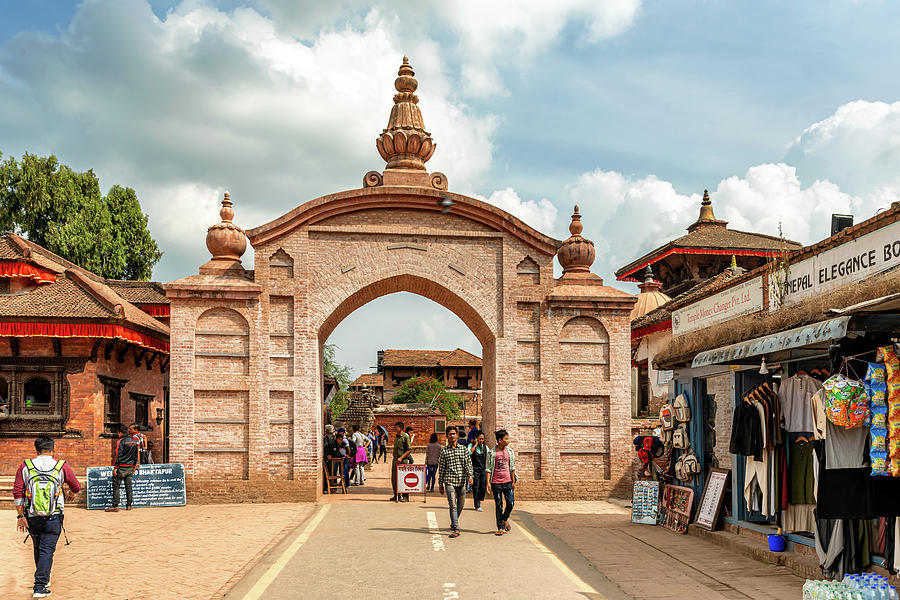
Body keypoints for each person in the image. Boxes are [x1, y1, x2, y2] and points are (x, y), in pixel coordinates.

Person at [14, 435, 82, 598]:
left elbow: (17, 491)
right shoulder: (61, 465)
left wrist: (20, 515)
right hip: (54, 516)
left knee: (38, 547)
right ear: (53, 450)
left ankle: (43, 577)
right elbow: (77, 487)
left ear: (36, 450)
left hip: (32, 515)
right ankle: (40, 586)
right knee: (47, 550)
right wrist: (68, 492)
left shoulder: (26, 465)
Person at [437, 426, 473, 538]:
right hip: (449, 481)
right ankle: (456, 528)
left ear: (457, 435)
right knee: (452, 504)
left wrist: (470, 476)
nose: (452, 436)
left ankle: (453, 522)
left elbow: (468, 464)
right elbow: (442, 468)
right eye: (450, 434)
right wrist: (440, 484)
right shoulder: (444, 451)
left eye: (453, 434)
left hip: (462, 481)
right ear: (446, 436)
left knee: (460, 504)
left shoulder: (463, 449)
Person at [486, 429, 516, 536]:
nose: (508, 441)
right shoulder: (492, 453)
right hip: (496, 483)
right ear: (500, 440)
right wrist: (488, 483)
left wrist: (513, 481)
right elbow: (488, 468)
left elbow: (512, 467)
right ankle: (500, 527)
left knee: (511, 503)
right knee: (498, 505)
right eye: (506, 439)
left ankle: (505, 518)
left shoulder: (510, 452)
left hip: (508, 481)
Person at [105, 424, 140, 512]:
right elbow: (136, 455)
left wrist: (115, 467)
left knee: (116, 486)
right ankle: (129, 505)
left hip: (121, 468)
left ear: (120, 433)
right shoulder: (134, 441)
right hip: (130, 468)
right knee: (128, 486)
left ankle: (115, 505)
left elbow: (118, 455)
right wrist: (134, 466)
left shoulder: (120, 442)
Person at [390, 421, 412, 502]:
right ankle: (397, 495)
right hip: (395, 459)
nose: (395, 429)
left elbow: (409, 449)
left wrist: (401, 458)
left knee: (403, 478)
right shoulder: (396, 436)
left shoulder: (405, 437)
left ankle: (405, 496)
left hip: (402, 460)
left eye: (397, 427)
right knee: (394, 478)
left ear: (401, 428)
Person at [468, 432, 488, 511]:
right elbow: (469, 452)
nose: (481, 440)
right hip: (475, 469)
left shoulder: (485, 447)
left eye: (482, 439)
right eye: (480, 439)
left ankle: (479, 499)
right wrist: (475, 445)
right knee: (476, 487)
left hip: (483, 469)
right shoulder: (471, 445)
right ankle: (477, 505)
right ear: (476, 439)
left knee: (482, 487)